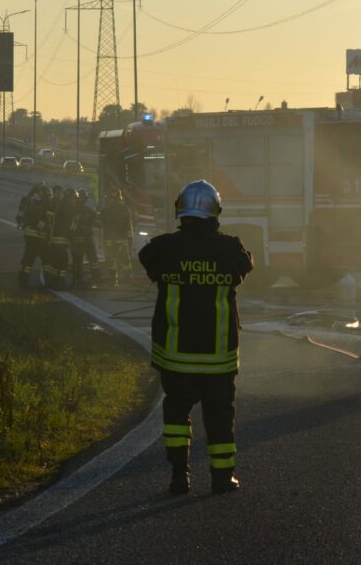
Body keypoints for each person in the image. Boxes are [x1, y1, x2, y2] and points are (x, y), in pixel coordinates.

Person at [138, 180, 254, 495]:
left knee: (176, 413)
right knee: (220, 417)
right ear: (216, 211)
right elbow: (245, 268)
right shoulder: (231, 249)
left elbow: (146, 261)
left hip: (176, 355)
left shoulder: (161, 248)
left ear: (180, 210)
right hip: (218, 357)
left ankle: (179, 476)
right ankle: (221, 478)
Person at [18, 183, 51, 288]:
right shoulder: (39, 206)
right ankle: (48, 282)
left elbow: (21, 217)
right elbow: (40, 222)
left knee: (29, 260)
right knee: (45, 260)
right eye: (47, 195)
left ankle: (22, 281)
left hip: (32, 238)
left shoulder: (31, 203)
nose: (48, 198)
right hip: (37, 238)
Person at [100, 189, 133, 286]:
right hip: (118, 240)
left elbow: (100, 223)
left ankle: (115, 280)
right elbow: (128, 225)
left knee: (113, 260)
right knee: (121, 260)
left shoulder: (106, 210)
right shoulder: (123, 209)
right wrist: (130, 239)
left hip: (112, 240)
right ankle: (124, 279)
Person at [70, 189, 101, 289]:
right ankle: (80, 278)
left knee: (87, 258)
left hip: (84, 237)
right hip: (83, 237)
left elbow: (98, 222)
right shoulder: (79, 210)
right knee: (81, 258)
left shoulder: (79, 210)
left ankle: (91, 277)